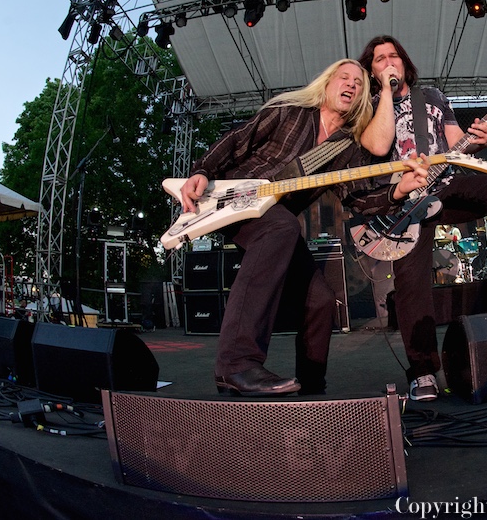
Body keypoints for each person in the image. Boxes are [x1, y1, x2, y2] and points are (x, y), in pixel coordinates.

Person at [178, 59, 428, 397]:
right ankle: (235, 363)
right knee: (283, 227)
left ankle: (311, 392)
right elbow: (238, 139)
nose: (352, 85)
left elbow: (358, 199)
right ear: (326, 84)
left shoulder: (348, 147)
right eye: (344, 77)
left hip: (274, 219)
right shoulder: (288, 110)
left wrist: (399, 190)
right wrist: (203, 170)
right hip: (234, 201)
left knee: (321, 301)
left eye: (359, 83)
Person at [357, 35, 487, 402]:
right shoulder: (366, 107)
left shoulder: (432, 97)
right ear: (371, 70)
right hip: (404, 202)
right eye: (379, 59)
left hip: (445, 187)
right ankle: (424, 372)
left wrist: (479, 138)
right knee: (411, 280)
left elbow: (457, 143)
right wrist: (383, 92)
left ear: (405, 60)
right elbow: (379, 147)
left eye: (393, 55)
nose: (388, 62)